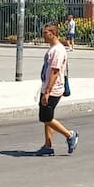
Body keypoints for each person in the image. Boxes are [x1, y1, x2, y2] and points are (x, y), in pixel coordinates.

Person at [34, 25, 79, 156]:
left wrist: (47, 91)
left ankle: (70, 135)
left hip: (53, 89)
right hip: (48, 87)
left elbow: (55, 71)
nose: (43, 35)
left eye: (45, 32)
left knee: (46, 118)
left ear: (53, 33)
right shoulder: (53, 49)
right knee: (48, 117)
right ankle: (47, 146)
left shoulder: (58, 51)